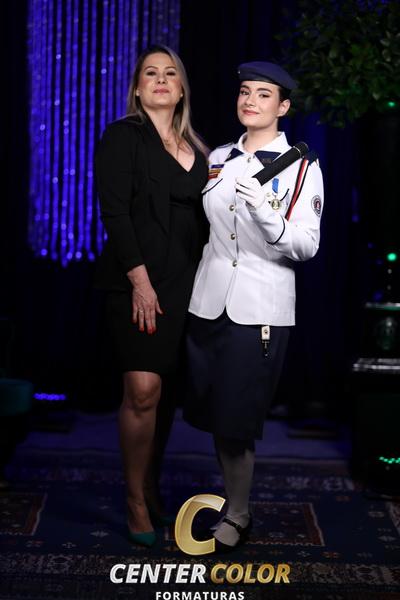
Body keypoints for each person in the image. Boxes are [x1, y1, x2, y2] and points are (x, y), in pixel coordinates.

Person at [184, 61, 324, 551]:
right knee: (215, 415)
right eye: (245, 91)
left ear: (283, 107)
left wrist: (265, 211)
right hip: (208, 302)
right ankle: (235, 503)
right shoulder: (219, 157)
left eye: (263, 94)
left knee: (237, 419)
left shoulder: (302, 167)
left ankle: (238, 513)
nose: (250, 101)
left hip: (259, 309)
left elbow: (306, 246)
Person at [95, 45, 208, 547]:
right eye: (150, 73)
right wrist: (140, 281)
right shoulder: (123, 136)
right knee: (142, 391)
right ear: (138, 89)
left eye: (170, 74)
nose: (161, 80)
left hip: (188, 285)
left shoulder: (200, 151)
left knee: (165, 396)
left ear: (180, 89)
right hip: (135, 281)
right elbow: (115, 213)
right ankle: (134, 499)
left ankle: (152, 486)